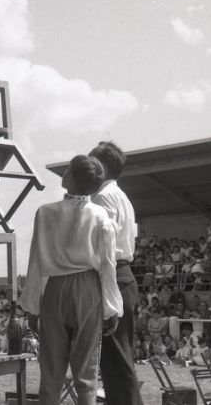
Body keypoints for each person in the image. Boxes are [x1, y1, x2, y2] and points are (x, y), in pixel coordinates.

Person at [19, 155, 123, 404]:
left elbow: (36, 261)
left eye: (67, 170)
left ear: (71, 177)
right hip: (88, 289)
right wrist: (112, 307)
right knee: (87, 369)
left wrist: (33, 305)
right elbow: (108, 264)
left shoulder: (45, 212)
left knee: (51, 369)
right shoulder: (100, 215)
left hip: (55, 288)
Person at [89, 141, 143, 405]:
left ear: (102, 166)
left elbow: (105, 247)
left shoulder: (103, 197)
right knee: (118, 361)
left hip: (113, 276)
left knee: (116, 362)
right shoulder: (121, 196)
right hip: (121, 276)